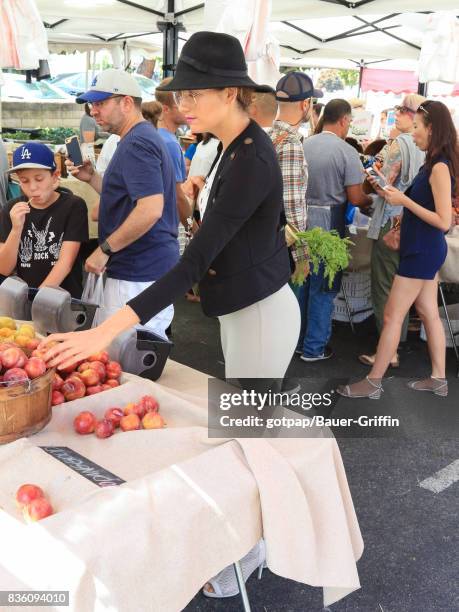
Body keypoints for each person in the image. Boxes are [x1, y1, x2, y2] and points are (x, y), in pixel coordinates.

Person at [42, 31, 301, 597]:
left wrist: (106, 331)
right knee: (245, 429)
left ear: (231, 93)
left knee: (251, 435)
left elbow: (193, 261)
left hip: (260, 313)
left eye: (195, 95)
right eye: (180, 96)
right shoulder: (233, 145)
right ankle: (253, 539)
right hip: (243, 307)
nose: (183, 106)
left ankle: (255, 548)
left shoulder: (252, 156)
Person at [339, 100, 457, 399]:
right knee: (429, 312)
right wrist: (397, 209)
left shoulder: (439, 167)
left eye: (417, 127)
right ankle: (438, 378)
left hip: (422, 250)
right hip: (422, 248)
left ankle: (374, 381)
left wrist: (403, 202)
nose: (412, 132)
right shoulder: (433, 163)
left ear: (432, 129)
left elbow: (443, 220)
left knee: (392, 316)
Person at [67, 68, 180, 339]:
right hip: (140, 268)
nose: (93, 111)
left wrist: (105, 249)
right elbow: (128, 196)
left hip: (138, 271)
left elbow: (150, 209)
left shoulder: (137, 142)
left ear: (126, 102)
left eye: (100, 103)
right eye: (92, 104)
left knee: (126, 358)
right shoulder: (135, 139)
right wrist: (92, 177)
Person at [298, 99, 372, 361]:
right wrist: (371, 200)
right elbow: (355, 198)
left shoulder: (303, 145)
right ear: (343, 120)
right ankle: (313, 348)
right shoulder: (345, 151)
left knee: (302, 281)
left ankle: (298, 342)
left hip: (300, 220)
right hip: (329, 220)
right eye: (349, 122)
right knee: (325, 286)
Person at [360, 94, 426, 368]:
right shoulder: (432, 147)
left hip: (392, 222)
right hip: (418, 223)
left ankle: (389, 351)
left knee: (384, 287)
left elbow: (383, 185)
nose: (397, 113)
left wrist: (367, 171)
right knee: (411, 290)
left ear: (415, 117)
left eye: (403, 110)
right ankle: (399, 346)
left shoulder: (399, 144)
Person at [0, 142, 88, 297]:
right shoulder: (10, 210)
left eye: (39, 179)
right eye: (24, 181)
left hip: (64, 300)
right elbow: (4, 268)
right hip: (23, 300)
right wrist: (16, 229)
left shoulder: (73, 206)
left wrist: (37, 298)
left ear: (55, 177)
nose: (32, 187)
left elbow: (65, 263)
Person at [268, 72, 320, 276]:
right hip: (279, 246)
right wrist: (302, 256)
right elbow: (292, 205)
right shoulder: (290, 144)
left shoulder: (269, 136)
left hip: (263, 240)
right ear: (305, 103)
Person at [155, 77, 192, 228]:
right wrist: (193, 230)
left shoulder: (157, 136)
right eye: (181, 104)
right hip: (164, 227)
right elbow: (178, 198)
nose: (188, 108)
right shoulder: (169, 143)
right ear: (165, 109)